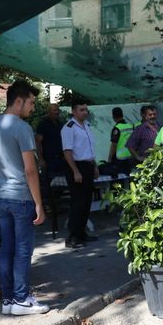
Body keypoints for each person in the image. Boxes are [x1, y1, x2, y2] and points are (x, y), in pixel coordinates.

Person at [0, 80, 49, 315]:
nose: (33, 107)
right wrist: (39, 204)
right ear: (19, 101)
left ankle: (9, 301)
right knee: (23, 250)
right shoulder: (22, 128)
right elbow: (30, 170)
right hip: (21, 198)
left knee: (6, 249)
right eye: (31, 102)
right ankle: (22, 299)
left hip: (0, 196)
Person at [61, 100, 99, 248]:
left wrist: (95, 166)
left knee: (86, 202)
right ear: (74, 111)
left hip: (88, 166)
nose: (85, 112)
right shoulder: (69, 128)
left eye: (86, 110)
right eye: (82, 110)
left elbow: (90, 149)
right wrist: (75, 171)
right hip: (76, 167)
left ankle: (82, 234)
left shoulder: (87, 126)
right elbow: (67, 152)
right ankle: (72, 238)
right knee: (78, 203)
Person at [35, 103, 66, 180]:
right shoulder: (43, 124)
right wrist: (41, 159)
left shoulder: (60, 123)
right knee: (50, 185)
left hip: (62, 159)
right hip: (49, 160)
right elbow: (37, 142)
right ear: (49, 112)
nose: (57, 112)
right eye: (54, 110)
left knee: (62, 184)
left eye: (58, 110)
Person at [107, 107, 133, 174]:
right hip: (130, 157)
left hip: (119, 159)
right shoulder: (130, 126)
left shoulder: (117, 128)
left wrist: (109, 159)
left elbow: (114, 145)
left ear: (113, 116)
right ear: (122, 115)